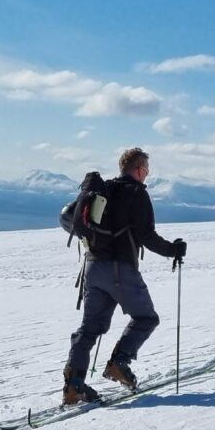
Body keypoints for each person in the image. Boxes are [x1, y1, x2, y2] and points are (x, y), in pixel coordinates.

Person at [62, 148, 187, 404]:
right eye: (147, 169)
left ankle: (74, 385)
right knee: (146, 318)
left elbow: (68, 218)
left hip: (93, 267)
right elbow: (146, 236)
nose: (147, 174)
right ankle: (119, 364)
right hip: (120, 270)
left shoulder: (102, 190)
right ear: (139, 169)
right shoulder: (136, 193)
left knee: (89, 329)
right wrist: (173, 250)